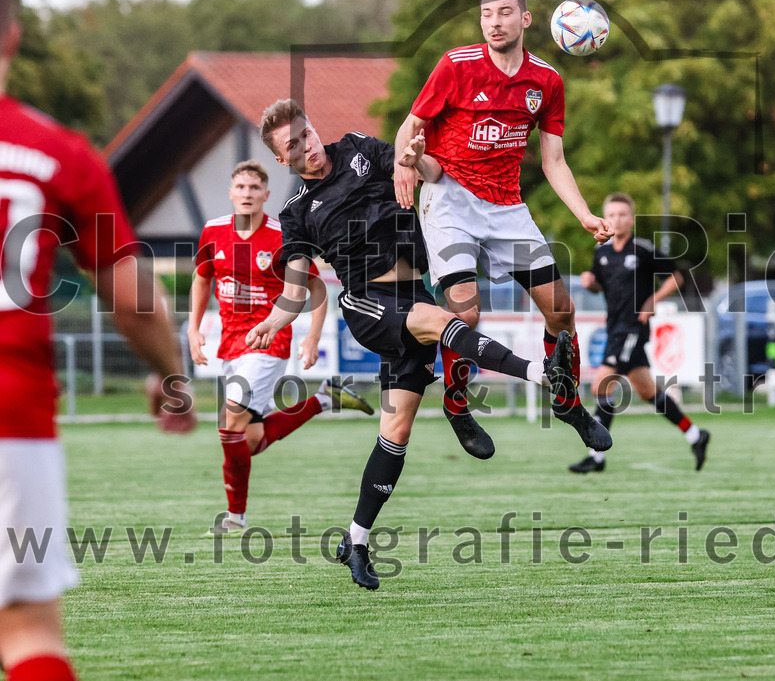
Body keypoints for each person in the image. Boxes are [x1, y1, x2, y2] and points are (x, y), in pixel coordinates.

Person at [249, 99, 606, 590]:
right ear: (280, 158)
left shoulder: (357, 148)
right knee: (444, 321)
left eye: (305, 134)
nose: (305, 146)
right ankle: (545, 375)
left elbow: (429, 173)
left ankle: (355, 540)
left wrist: (418, 158)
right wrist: (274, 321)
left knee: (395, 431)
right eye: (292, 145)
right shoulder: (296, 212)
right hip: (367, 303)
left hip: (412, 293)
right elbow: (294, 290)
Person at [0, 0, 196, 681]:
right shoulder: (59, 153)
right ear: (13, 35)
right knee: (28, 631)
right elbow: (135, 298)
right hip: (13, 416)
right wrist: (171, 377)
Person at [393, 0, 613, 459]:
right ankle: (457, 405)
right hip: (449, 198)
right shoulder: (456, 65)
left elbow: (554, 160)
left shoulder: (547, 81)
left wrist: (585, 215)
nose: (494, 23)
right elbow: (411, 126)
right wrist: (403, 164)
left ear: (526, 19)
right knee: (466, 313)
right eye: (487, 15)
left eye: (505, 13)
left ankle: (568, 402)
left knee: (562, 310)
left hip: (507, 205)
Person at [189, 160, 373, 536]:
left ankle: (235, 518)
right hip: (231, 343)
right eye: (241, 187)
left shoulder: (282, 236)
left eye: (254, 188)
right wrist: (193, 329)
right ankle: (324, 399)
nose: (247, 194)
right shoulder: (213, 230)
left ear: (266, 195)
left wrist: (313, 336)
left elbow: (316, 287)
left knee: (230, 421)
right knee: (250, 441)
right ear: (231, 192)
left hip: (268, 342)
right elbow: (202, 277)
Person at [572, 193, 710, 473]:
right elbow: (599, 287)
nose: (617, 219)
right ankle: (695, 435)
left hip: (634, 328)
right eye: (611, 214)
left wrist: (652, 301)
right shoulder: (601, 251)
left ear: (631, 219)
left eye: (622, 214)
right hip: (614, 328)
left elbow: (676, 278)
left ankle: (596, 456)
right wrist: (590, 283)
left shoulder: (643, 249)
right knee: (648, 392)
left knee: (601, 385)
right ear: (605, 218)